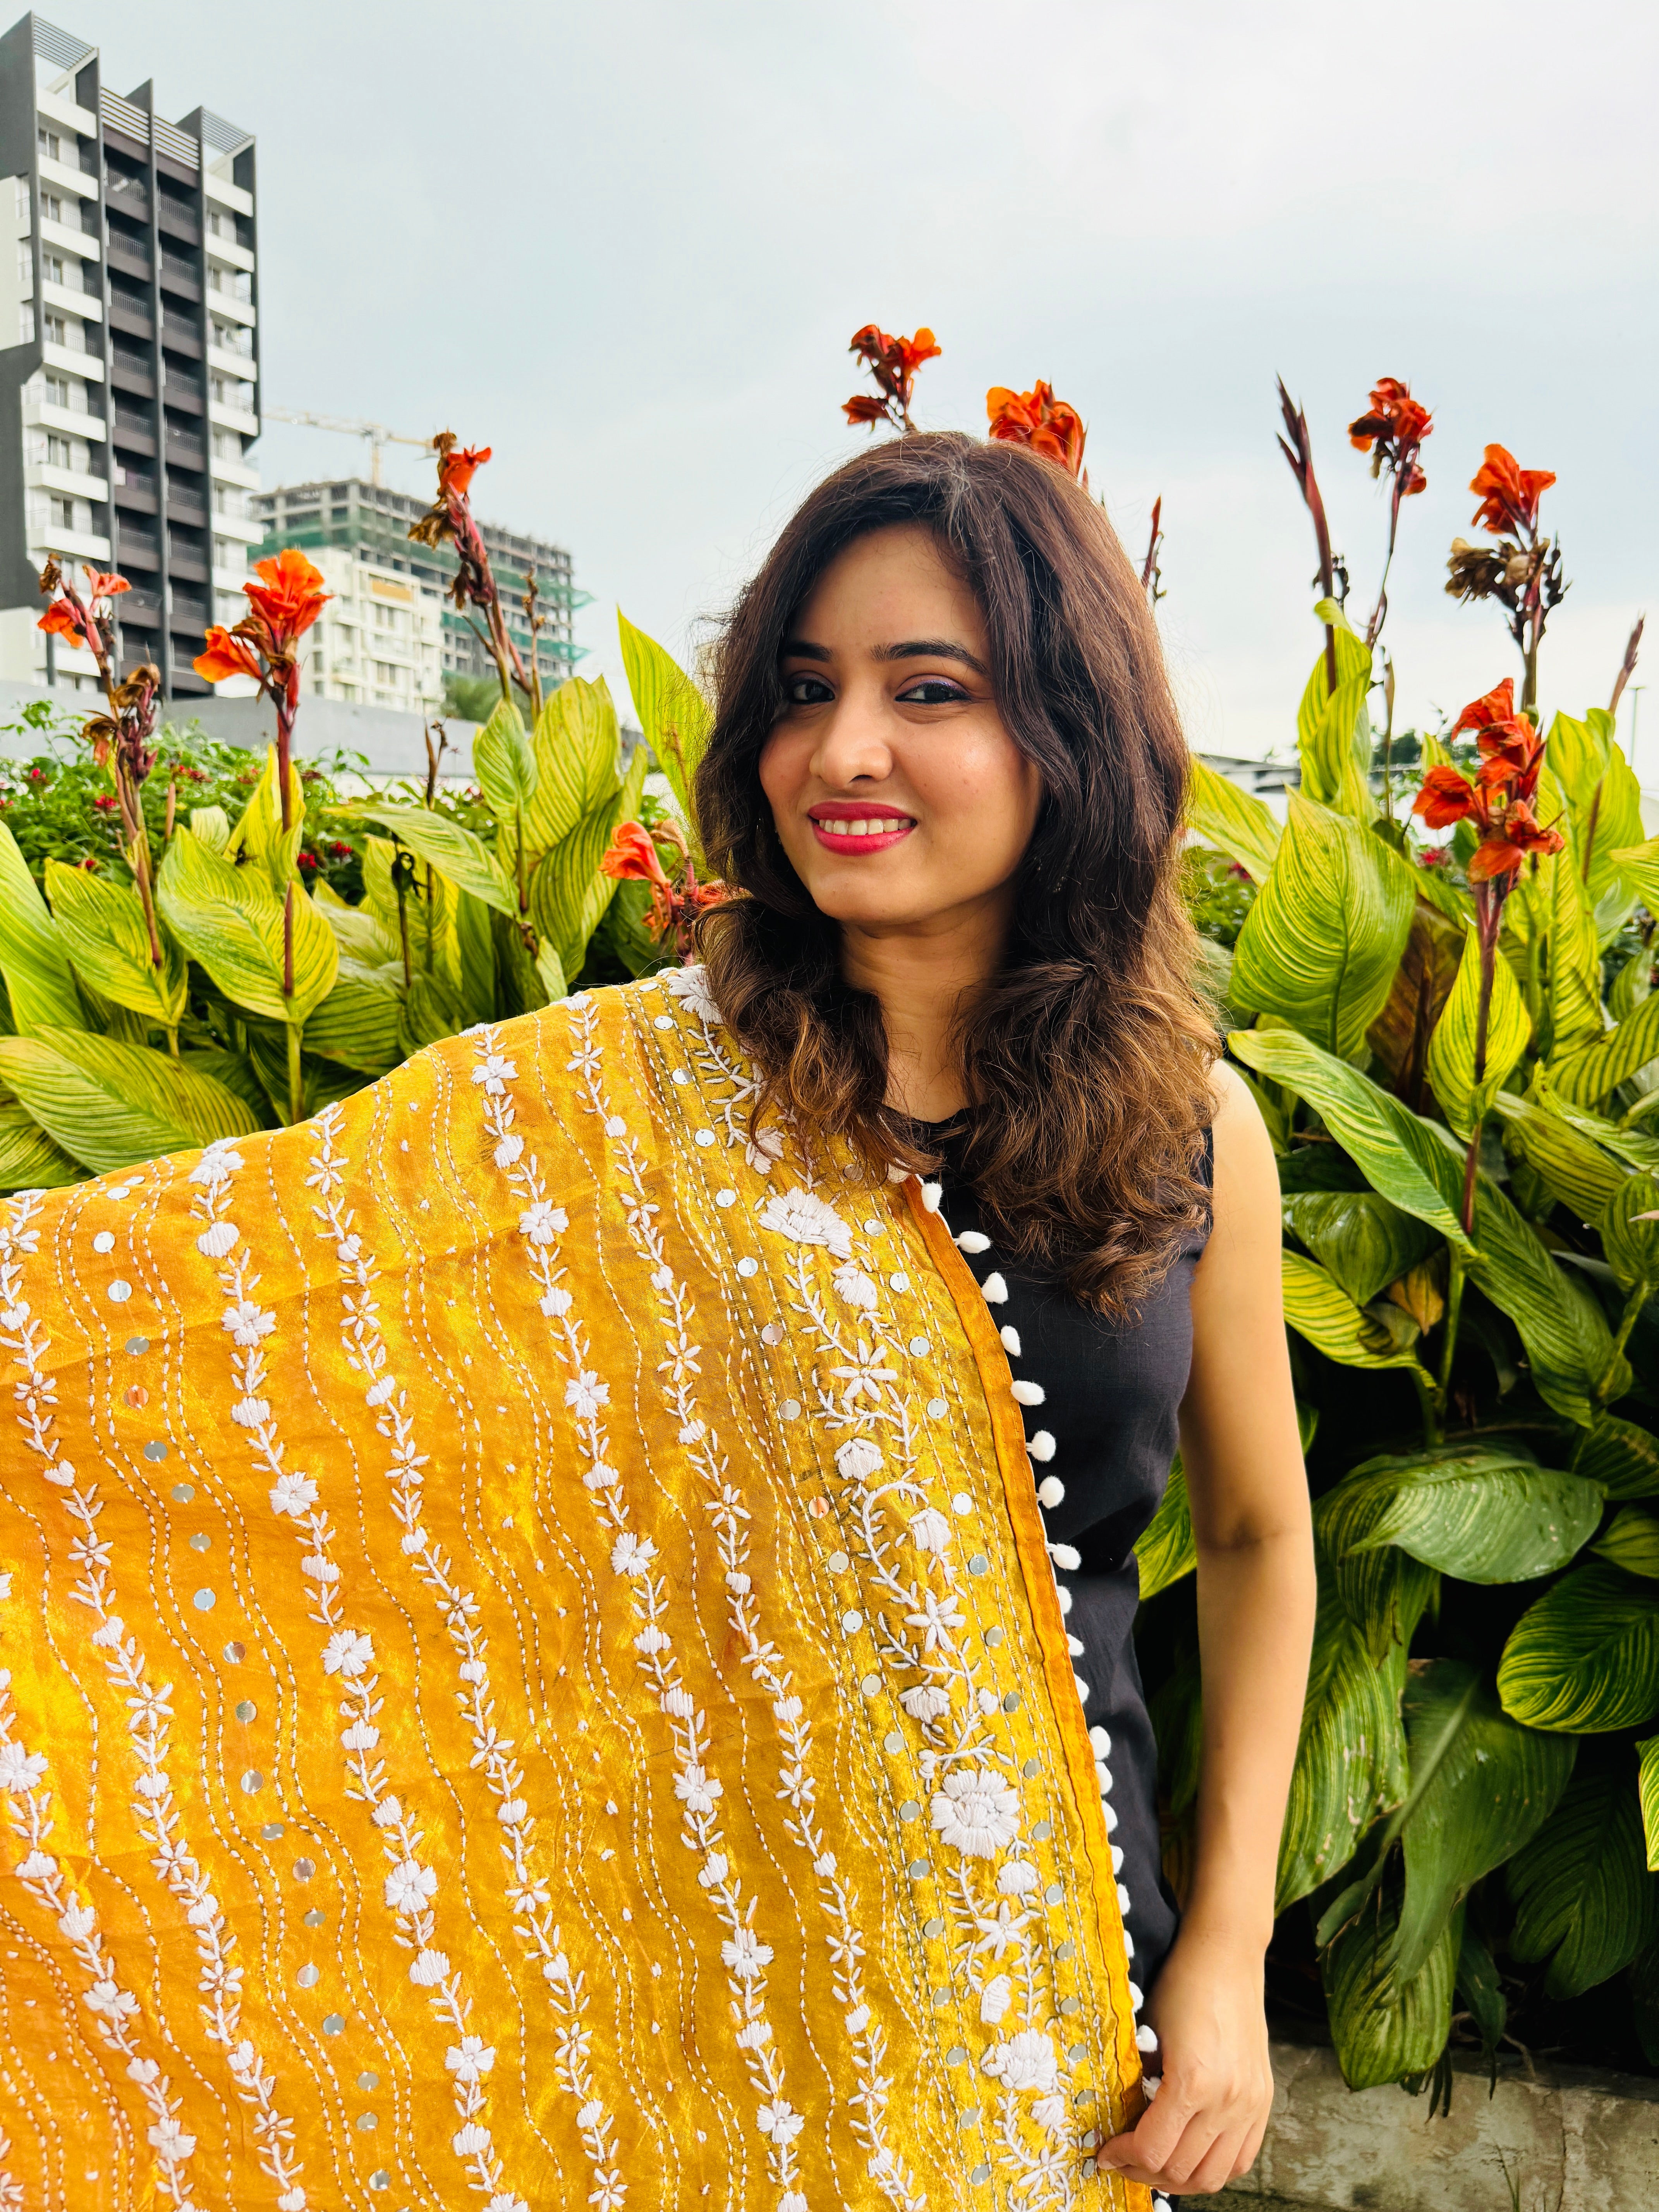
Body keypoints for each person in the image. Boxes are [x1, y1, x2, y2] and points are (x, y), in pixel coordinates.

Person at [0, 431, 1312, 2212]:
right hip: (703, 2021)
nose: (841, 752)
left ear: (1072, 735)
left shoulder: (1195, 1130)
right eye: (802, 690)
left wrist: (1225, 1961)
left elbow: (1253, 1534)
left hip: (1064, 2039)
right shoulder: (617, 1105)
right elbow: (198, 1318)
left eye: (928, 691)